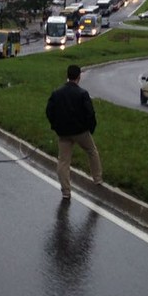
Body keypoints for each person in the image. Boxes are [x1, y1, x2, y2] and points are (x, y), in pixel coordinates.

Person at [45, 64, 103, 200]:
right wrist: (90, 128)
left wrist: (55, 125)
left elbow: (49, 111)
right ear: (79, 77)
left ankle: (66, 191)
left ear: (67, 75)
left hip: (63, 132)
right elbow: (90, 113)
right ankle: (97, 178)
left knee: (63, 161)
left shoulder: (57, 93)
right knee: (92, 151)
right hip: (81, 132)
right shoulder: (82, 94)